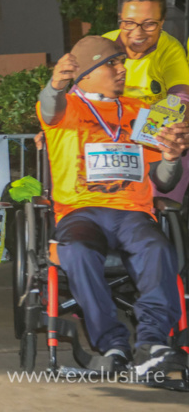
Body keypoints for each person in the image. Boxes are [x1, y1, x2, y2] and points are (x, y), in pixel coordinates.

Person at [37, 35, 189, 377]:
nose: (122, 69)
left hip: (133, 212)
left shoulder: (140, 112)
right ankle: (112, 344)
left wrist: (170, 156)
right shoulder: (68, 107)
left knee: (157, 248)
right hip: (81, 211)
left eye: (122, 62)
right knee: (76, 250)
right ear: (86, 73)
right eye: (111, 63)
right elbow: (50, 106)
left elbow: (163, 180)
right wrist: (55, 85)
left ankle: (152, 343)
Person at [102, 0, 189, 204]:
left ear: (162, 21)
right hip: (106, 142)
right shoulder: (104, 45)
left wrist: (138, 129)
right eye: (129, 23)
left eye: (149, 24)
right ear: (119, 17)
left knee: (178, 142)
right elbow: (78, 95)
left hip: (152, 144)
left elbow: (181, 98)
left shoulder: (170, 50)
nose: (138, 34)